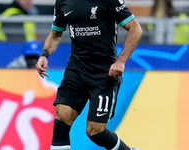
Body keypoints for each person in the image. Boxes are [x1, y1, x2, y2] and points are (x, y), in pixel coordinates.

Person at [36, 0, 142, 149]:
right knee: (62, 119)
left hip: (104, 74)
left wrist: (121, 61)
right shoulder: (62, 2)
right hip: (76, 70)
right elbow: (55, 34)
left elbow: (135, 28)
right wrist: (44, 55)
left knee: (95, 132)